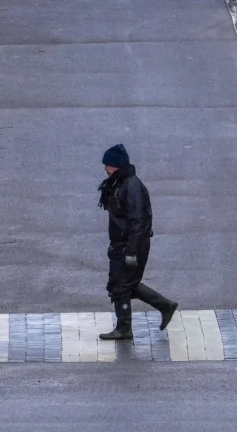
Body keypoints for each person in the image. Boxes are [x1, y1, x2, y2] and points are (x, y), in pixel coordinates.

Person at [97, 144, 178, 341]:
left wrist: (131, 251)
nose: (105, 169)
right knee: (125, 283)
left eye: (108, 165)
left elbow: (137, 221)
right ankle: (165, 306)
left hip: (130, 244)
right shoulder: (118, 182)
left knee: (121, 285)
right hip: (122, 243)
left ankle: (124, 328)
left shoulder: (131, 186)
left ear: (117, 165)